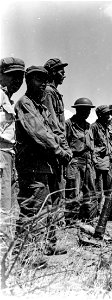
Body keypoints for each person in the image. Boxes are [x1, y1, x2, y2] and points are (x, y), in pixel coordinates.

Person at [14, 66, 72, 264]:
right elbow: (39, 134)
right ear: (28, 81)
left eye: (45, 81)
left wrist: (64, 149)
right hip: (31, 164)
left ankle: (45, 244)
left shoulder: (42, 107)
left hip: (44, 164)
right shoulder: (25, 104)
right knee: (32, 207)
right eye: (38, 80)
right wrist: (60, 151)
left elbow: (55, 130)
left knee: (46, 205)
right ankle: (24, 253)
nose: (43, 85)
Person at [0, 57, 25, 260]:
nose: (17, 81)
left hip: (8, 155)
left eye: (20, 77)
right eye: (12, 76)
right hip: (1, 155)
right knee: (2, 207)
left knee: (7, 206)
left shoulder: (7, 98)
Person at [42, 58, 70, 213]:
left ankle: (55, 223)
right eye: (61, 71)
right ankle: (52, 226)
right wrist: (62, 147)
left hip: (58, 143)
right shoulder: (48, 92)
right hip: (54, 144)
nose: (64, 75)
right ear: (52, 72)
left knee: (58, 184)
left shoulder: (55, 93)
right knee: (53, 185)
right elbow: (52, 123)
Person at [65, 98, 97, 224]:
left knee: (90, 191)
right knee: (74, 191)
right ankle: (71, 221)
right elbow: (63, 142)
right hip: (74, 161)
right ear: (78, 109)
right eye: (84, 109)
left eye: (89, 110)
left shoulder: (88, 126)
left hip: (88, 161)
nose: (87, 112)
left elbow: (91, 145)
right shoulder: (68, 124)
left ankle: (89, 219)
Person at [90, 105, 112, 220]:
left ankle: (110, 213)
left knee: (110, 189)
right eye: (106, 114)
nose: (108, 116)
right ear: (100, 115)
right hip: (98, 163)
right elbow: (91, 146)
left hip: (108, 162)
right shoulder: (94, 127)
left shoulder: (106, 127)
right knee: (98, 191)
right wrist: (99, 151)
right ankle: (95, 213)